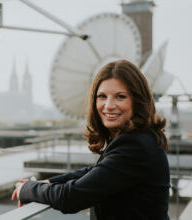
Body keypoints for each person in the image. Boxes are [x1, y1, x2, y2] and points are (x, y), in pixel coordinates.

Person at [12, 59, 170, 220]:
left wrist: (27, 189)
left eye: (120, 96)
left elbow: (71, 198)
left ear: (137, 101)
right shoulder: (140, 138)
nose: (108, 105)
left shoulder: (135, 145)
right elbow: (95, 171)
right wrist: (47, 182)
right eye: (102, 96)